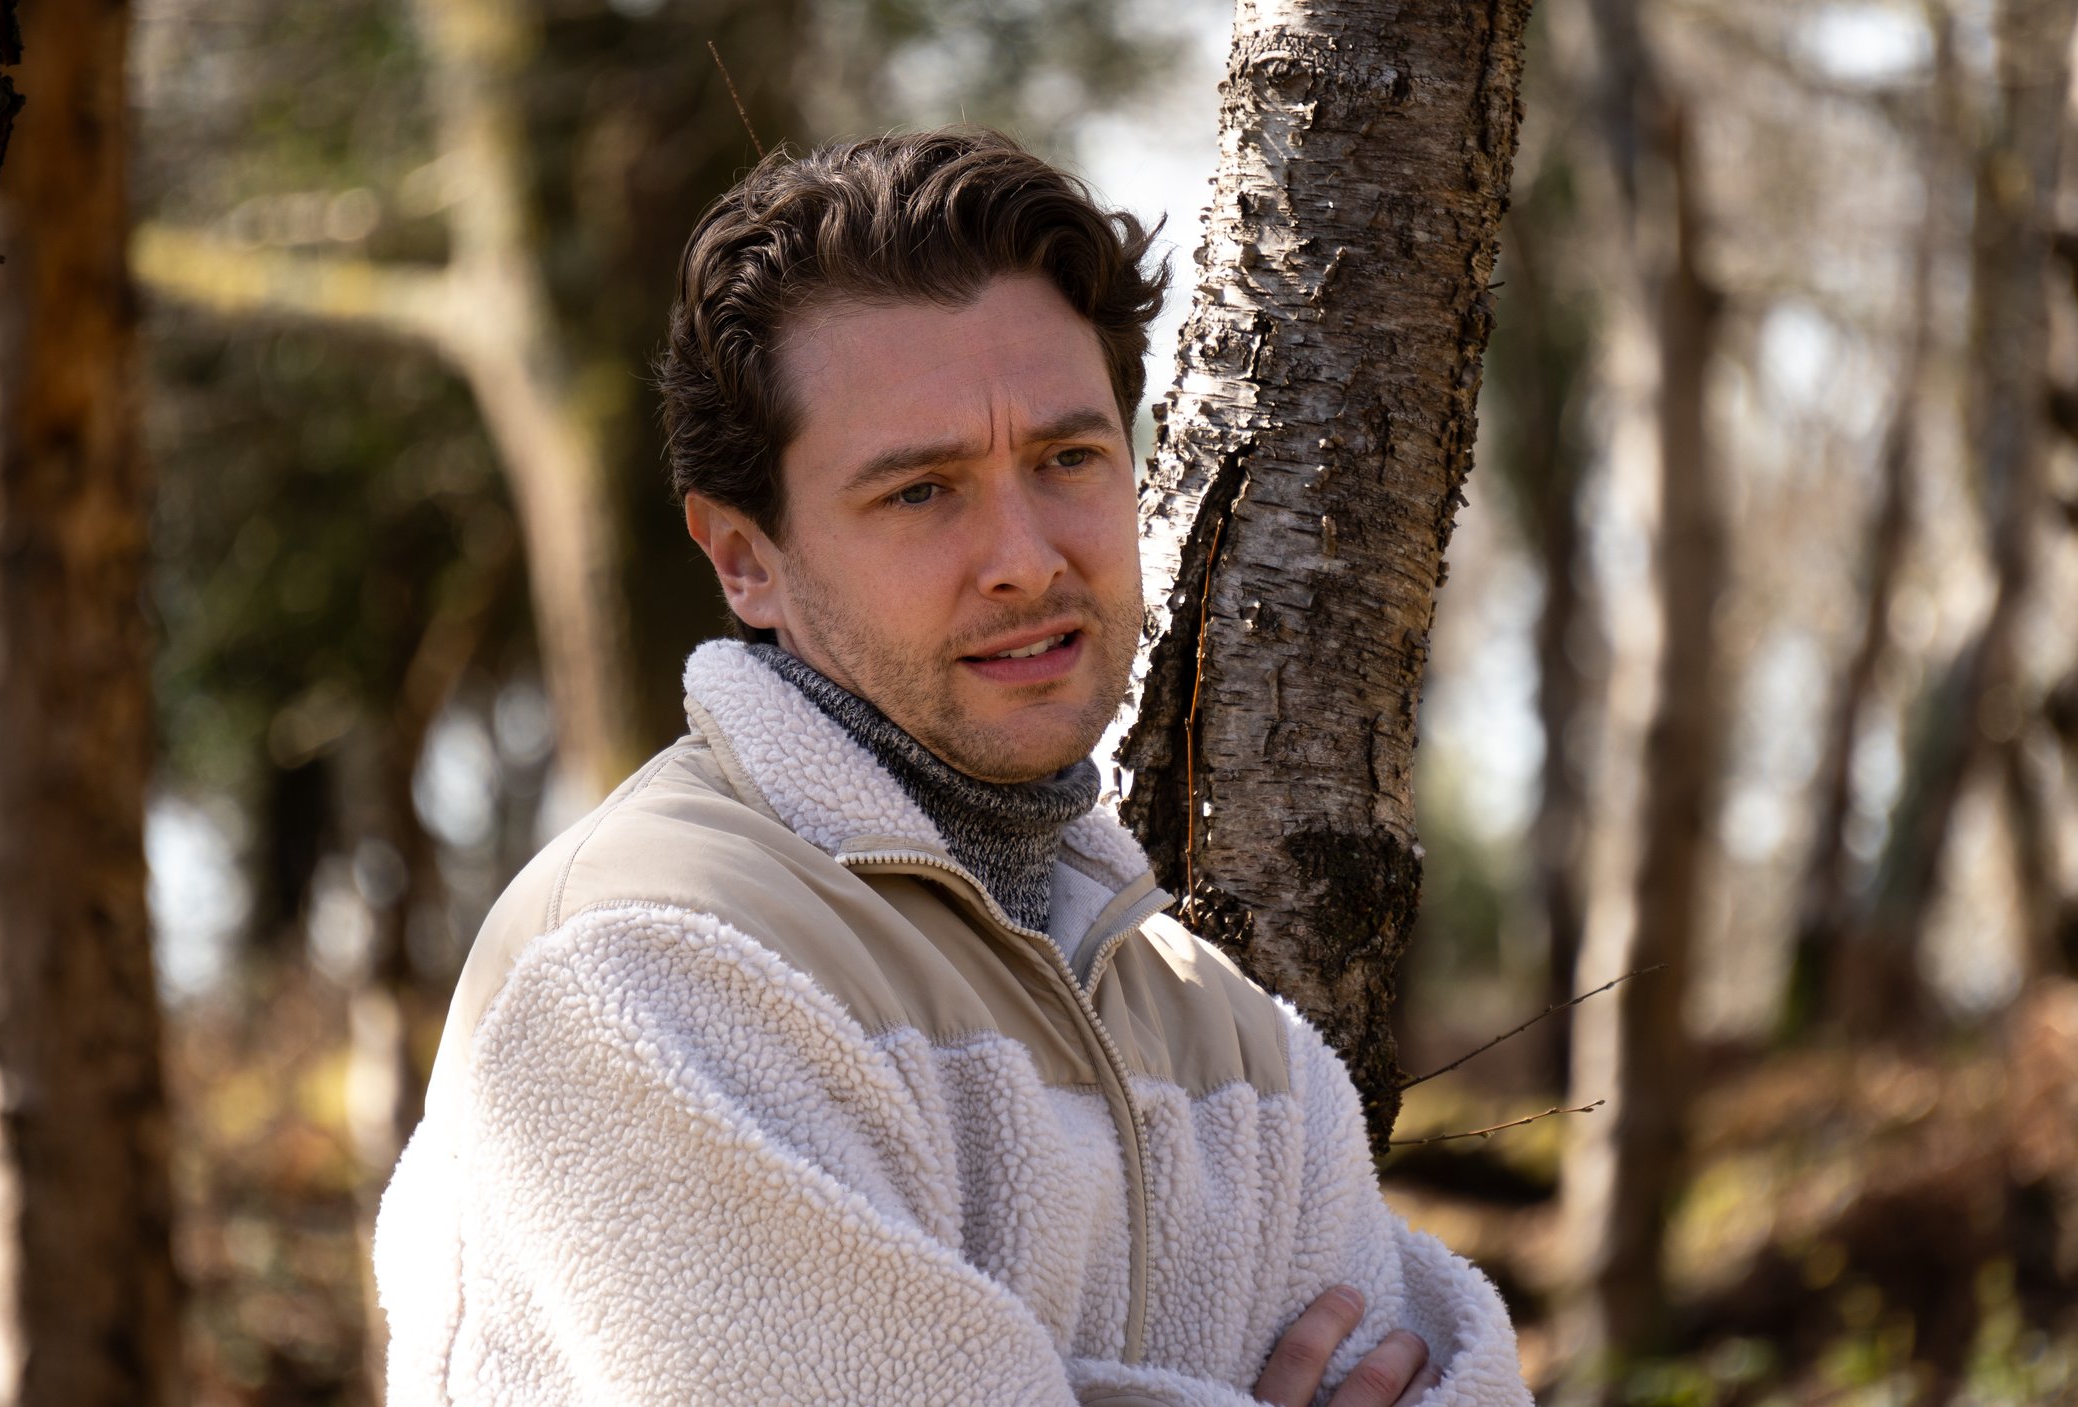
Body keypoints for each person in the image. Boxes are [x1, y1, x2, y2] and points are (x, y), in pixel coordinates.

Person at [374, 127, 1532, 1407]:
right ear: (744, 559)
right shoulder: (648, 966)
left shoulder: (1242, 1051)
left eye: (1066, 459)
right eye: (922, 492)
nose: (1027, 557)